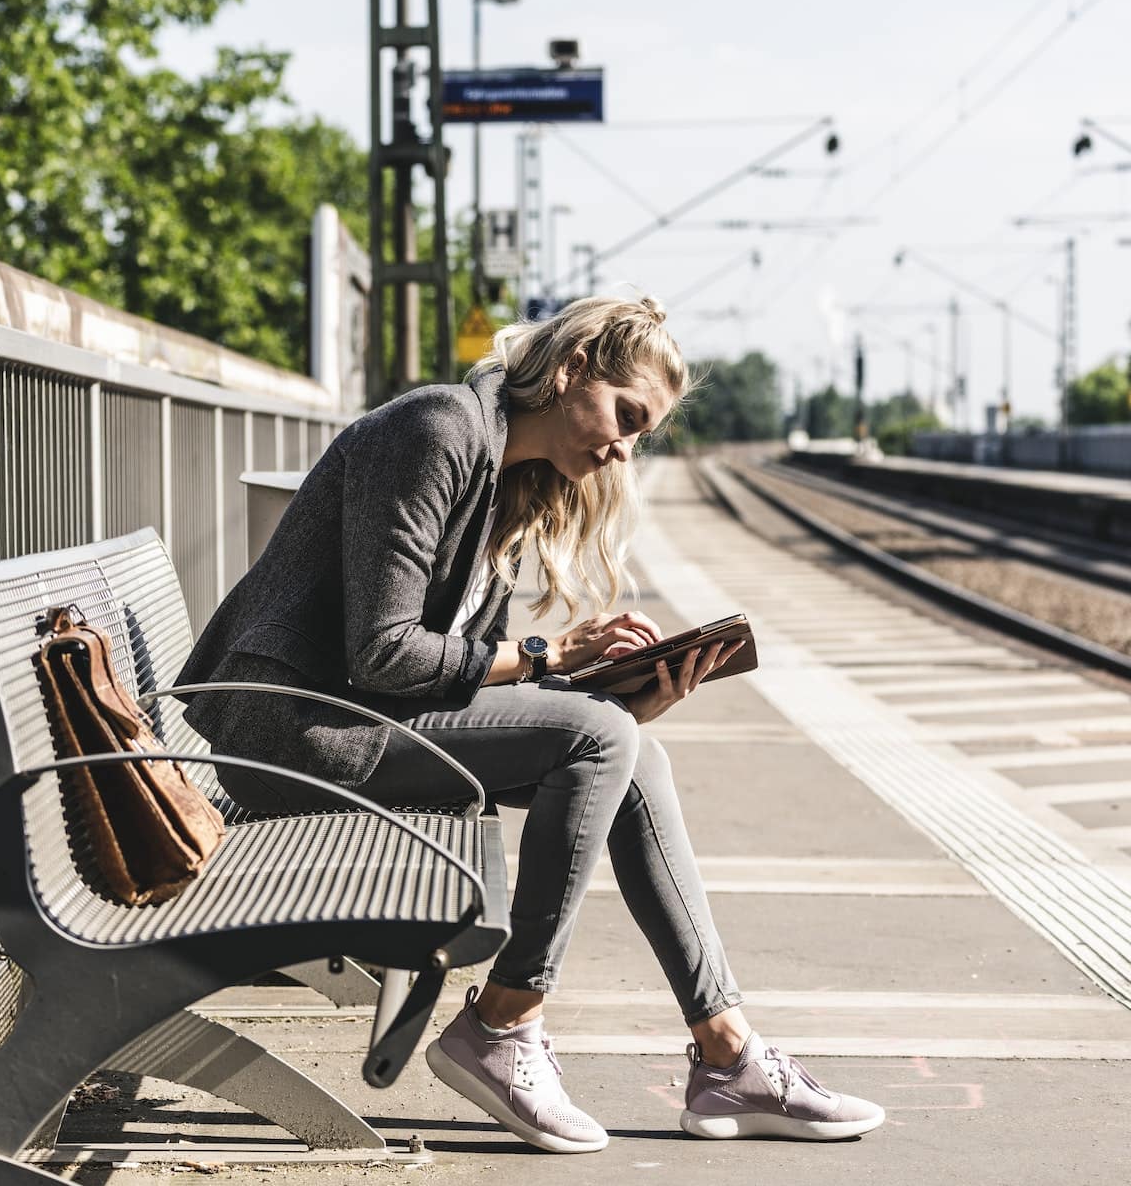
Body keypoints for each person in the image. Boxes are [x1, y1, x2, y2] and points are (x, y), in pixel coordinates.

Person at [175, 293, 883, 1153]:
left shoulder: (512, 478)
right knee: (598, 737)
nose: (625, 445)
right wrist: (547, 658)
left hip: (357, 721)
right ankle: (504, 1024)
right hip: (292, 734)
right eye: (626, 414)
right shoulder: (437, 430)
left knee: (632, 752)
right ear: (574, 367)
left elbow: (453, 682)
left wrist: (620, 701)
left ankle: (727, 1050)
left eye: (643, 431)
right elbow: (385, 655)